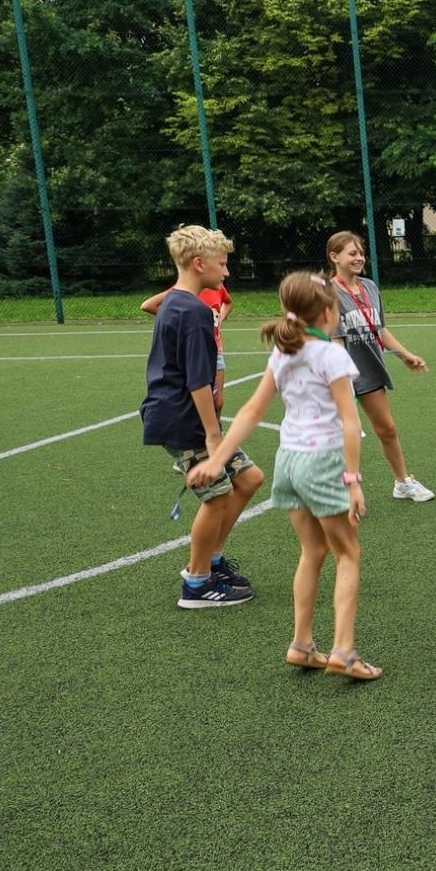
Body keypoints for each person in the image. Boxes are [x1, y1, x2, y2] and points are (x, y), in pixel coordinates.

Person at [188, 272, 381, 680]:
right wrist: (353, 479)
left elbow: (251, 412)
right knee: (348, 554)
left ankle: (302, 644)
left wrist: (216, 457)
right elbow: (349, 423)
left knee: (312, 552)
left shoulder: (283, 353)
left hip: (289, 462)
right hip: (323, 463)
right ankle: (343, 650)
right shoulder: (331, 356)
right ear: (329, 312)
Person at [140, 225, 264, 609]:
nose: (226, 272)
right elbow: (197, 381)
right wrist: (213, 436)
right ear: (198, 264)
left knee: (249, 478)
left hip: (183, 414)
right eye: (222, 264)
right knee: (216, 496)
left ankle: (210, 560)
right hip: (183, 420)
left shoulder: (176, 301)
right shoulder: (192, 311)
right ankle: (196, 585)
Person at [326, 231, 435, 503]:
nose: (359, 257)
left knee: (387, 429)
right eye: (352, 253)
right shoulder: (327, 292)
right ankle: (339, 491)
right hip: (341, 375)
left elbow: (379, 329)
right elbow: (335, 340)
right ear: (334, 257)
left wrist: (404, 354)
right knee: (343, 435)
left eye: (361, 253)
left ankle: (402, 482)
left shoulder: (369, 287)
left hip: (370, 369)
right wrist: (343, 381)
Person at [142, 280, 232, 415]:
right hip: (194, 350)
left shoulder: (218, 287)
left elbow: (228, 302)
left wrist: (219, 320)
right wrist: (176, 318)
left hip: (215, 349)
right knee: (195, 398)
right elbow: (148, 305)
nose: (225, 272)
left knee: (217, 401)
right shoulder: (184, 291)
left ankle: (217, 431)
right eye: (220, 264)